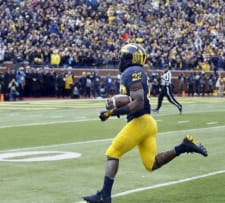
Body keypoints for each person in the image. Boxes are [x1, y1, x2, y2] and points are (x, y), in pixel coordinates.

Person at [83, 43, 208, 203]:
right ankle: (184, 146)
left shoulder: (133, 71)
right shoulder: (133, 72)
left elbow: (138, 103)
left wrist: (112, 112)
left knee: (113, 152)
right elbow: (131, 99)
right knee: (151, 164)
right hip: (147, 123)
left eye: (124, 56)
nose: (121, 59)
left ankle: (104, 195)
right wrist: (114, 107)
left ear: (131, 57)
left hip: (140, 121)